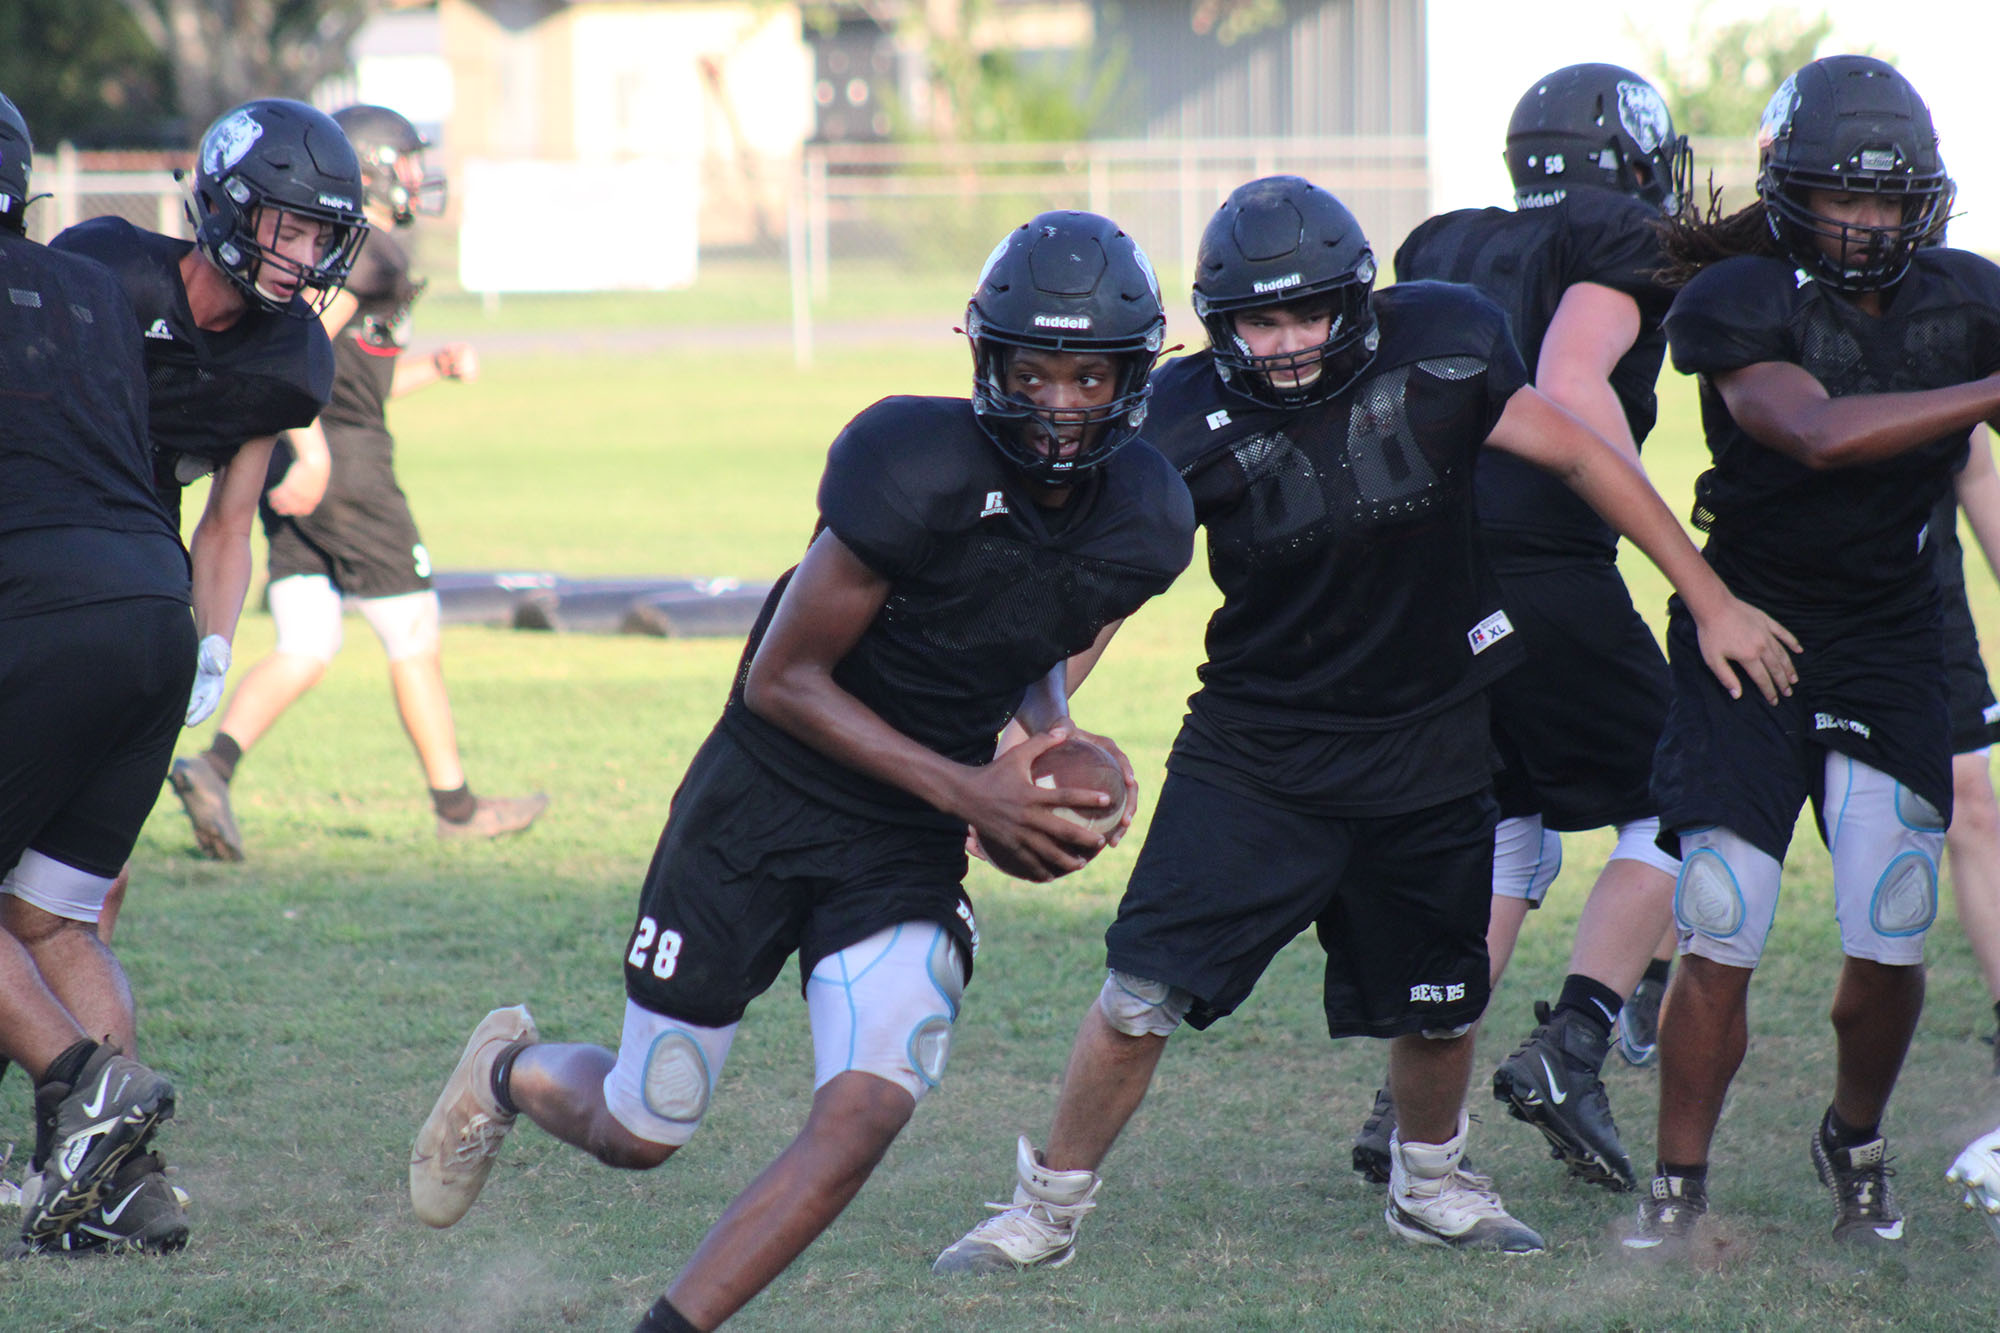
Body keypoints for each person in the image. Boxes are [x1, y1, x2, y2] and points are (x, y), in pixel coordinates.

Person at [933, 175, 1795, 1268]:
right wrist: (1019, 735)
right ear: (1216, 321)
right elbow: (1101, 598)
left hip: (1429, 736)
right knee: (1140, 987)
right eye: (1258, 317)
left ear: (1358, 302)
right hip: (1258, 750)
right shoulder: (1177, 419)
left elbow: (1580, 452)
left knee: (1439, 1001)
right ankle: (1045, 1208)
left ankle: (1429, 1182)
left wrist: (1708, 598)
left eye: (1308, 312)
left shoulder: (1444, 342)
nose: (1287, 341)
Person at [404, 211, 1195, 1331]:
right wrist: (974, 788)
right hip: (763, 799)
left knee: (866, 1105)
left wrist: (1043, 742)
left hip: (899, 841)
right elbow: (781, 679)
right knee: (647, 1122)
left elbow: (1039, 643)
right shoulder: (909, 464)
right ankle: (510, 1073)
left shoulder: (1149, 517)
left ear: (1131, 376)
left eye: (1088, 376)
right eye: (1036, 370)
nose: (1062, 405)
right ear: (988, 361)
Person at [1625, 54, 2000, 1254]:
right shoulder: (1736, 295)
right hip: (1751, 619)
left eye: (1888, 202)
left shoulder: (1964, 296)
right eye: (1844, 197)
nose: (1865, 224)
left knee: (1888, 923)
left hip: (1891, 632)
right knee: (1720, 906)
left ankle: (1853, 1134)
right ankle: (1678, 1182)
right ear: (1790, 189)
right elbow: (1814, 432)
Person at [1354, 63, 1692, 1193]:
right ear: (1633, 164)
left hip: (1428, 568)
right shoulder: (1621, 230)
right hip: (1543, 560)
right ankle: (1577, 1044)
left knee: (1506, 827)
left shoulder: (1446, 242)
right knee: (1682, 803)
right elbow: (1568, 376)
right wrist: (1667, 546)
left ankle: (1404, 1097)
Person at [169, 103, 546, 861]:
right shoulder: (369, 253)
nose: (415, 177)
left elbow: (351, 374)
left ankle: (213, 766)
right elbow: (292, 348)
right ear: (373, 167)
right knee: (413, 630)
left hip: (299, 456)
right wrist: (313, 454)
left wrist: (431, 370)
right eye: (405, 161)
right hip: (341, 468)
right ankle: (457, 806)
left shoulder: (359, 252)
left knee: (309, 640)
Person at [51, 97, 368, 933]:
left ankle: (75, 1052)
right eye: (288, 230)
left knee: (95, 873)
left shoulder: (288, 355)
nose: (304, 260)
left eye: (319, 240)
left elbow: (228, 520)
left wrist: (216, 640)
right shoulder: (105, 271)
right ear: (231, 205)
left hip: (138, 563)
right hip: (39, 532)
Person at [0, 88, 183, 1256]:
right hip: (154, 606)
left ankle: (84, 1082)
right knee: (54, 922)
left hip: (41, 608)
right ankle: (125, 1194)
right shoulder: (88, 288)